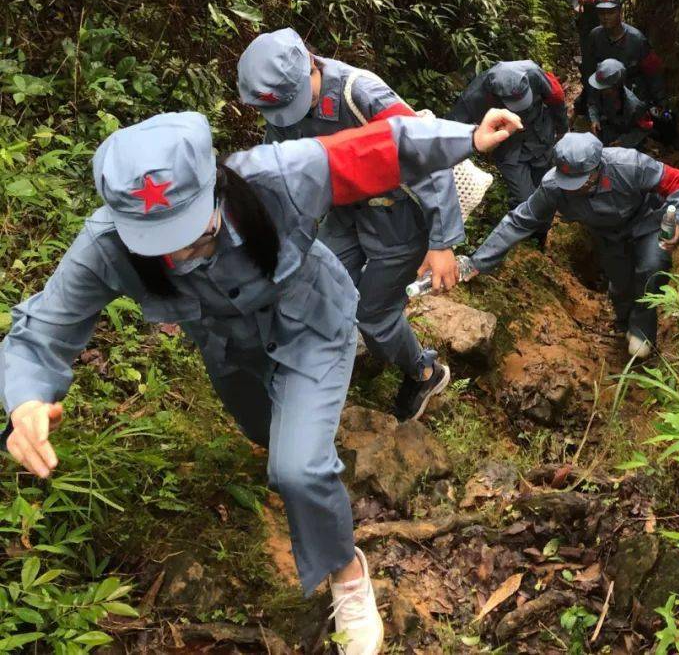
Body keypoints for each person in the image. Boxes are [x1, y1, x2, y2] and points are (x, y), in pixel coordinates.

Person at [0, 108, 519, 655]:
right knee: (265, 433)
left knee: (295, 468)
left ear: (217, 188)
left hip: (311, 325)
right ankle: (307, 457)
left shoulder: (277, 177)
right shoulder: (107, 242)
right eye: (157, 244)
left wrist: (468, 137)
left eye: (192, 237)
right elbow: (42, 330)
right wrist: (27, 397)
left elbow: (379, 148)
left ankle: (346, 572)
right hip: (229, 349)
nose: (176, 255)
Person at [238, 28, 462, 422]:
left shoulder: (361, 93)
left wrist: (442, 243)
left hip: (400, 218)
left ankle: (424, 371)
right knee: (315, 279)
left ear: (310, 65)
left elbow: (423, 150)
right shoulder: (282, 111)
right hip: (347, 210)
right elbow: (282, 173)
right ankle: (323, 359)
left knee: (375, 315)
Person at [470, 132, 679, 358]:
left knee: (652, 269)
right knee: (622, 283)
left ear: (598, 168)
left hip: (646, 223)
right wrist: (478, 262)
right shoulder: (553, 186)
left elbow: (676, 181)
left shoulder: (628, 164)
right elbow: (520, 220)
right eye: (569, 183)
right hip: (607, 236)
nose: (574, 189)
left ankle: (642, 331)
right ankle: (624, 323)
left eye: (581, 182)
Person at [449, 59, 568, 216]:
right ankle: (529, 229)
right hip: (509, 150)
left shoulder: (532, 72)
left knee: (545, 185)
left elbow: (555, 99)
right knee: (525, 199)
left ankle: (542, 230)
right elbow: (451, 133)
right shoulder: (474, 97)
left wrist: (562, 129)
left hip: (540, 136)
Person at [581, 0, 676, 144]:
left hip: (634, 92)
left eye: (611, 12)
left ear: (620, 12)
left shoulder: (637, 39)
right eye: (602, 13)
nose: (606, 17)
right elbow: (589, 72)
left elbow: (653, 73)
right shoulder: (595, 37)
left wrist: (661, 103)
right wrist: (593, 111)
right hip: (605, 91)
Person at [587, 58, 651, 149]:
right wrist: (594, 120)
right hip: (610, 127)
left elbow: (644, 128)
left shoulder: (635, 105)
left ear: (615, 86)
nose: (600, 90)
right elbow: (592, 103)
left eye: (605, 89)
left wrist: (622, 142)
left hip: (629, 136)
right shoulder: (599, 89)